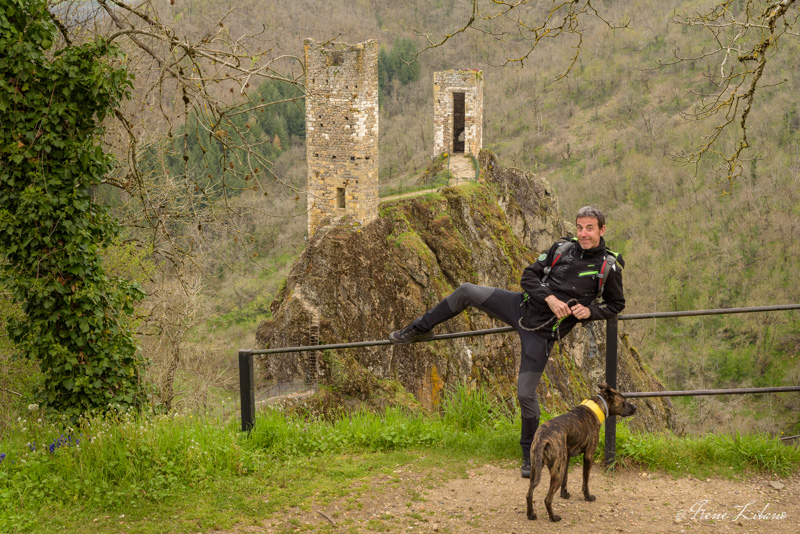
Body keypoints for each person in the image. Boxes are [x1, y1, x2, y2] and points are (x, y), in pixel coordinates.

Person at [388, 206, 625, 478]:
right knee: (466, 291)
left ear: (602, 230)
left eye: (590, 228)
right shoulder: (561, 248)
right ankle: (418, 329)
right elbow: (528, 276)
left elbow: (616, 303)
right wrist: (549, 297)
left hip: (543, 333)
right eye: (580, 227)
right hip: (519, 306)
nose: (583, 233)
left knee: (525, 394)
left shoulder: (609, 267)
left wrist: (591, 311)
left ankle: (530, 453)